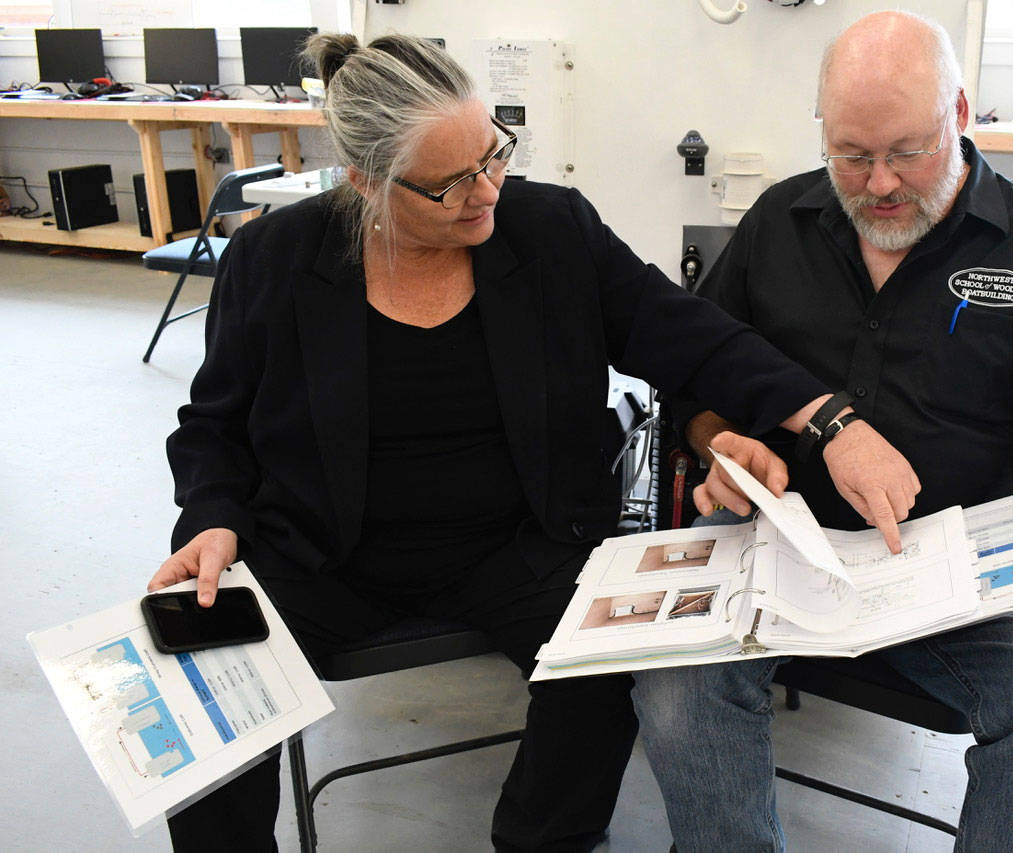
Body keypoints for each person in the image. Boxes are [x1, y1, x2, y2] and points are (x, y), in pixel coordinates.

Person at [146, 33, 919, 852]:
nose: (487, 191)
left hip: (519, 544)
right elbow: (213, 423)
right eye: (452, 183)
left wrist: (832, 421)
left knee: (604, 671)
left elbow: (695, 339)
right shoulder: (276, 257)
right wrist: (210, 518)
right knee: (204, 695)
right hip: (317, 550)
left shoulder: (551, 232)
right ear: (366, 181)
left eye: (494, 155)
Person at [630, 11, 1013, 852]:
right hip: (777, 543)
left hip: (966, 574)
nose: (878, 184)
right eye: (852, 155)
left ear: (962, 113)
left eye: (908, 151)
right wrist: (722, 443)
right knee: (674, 685)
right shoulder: (774, 224)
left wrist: (950, 562)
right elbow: (697, 379)